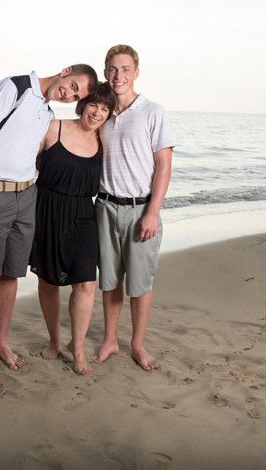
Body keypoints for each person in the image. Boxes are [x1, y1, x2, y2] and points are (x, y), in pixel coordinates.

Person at [0, 64, 99, 373]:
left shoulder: (48, 114)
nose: (69, 94)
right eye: (72, 85)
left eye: (76, 95)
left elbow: (41, 156)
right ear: (65, 71)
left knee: (12, 273)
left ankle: (1, 342)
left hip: (27, 195)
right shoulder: (14, 88)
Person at [93, 44, 175, 371]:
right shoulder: (102, 114)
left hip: (141, 209)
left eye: (125, 69)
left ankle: (137, 345)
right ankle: (110, 341)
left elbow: (164, 166)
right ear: (105, 72)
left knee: (139, 284)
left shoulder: (153, 112)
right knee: (110, 281)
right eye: (113, 69)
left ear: (136, 73)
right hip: (105, 207)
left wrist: (152, 212)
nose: (119, 75)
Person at [30, 83, 115, 375]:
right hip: (47, 210)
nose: (97, 113)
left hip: (83, 215)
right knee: (48, 281)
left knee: (86, 283)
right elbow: (29, 162)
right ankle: (55, 341)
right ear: (82, 104)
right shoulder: (55, 128)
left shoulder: (103, 142)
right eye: (94, 105)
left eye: (105, 109)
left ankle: (76, 348)